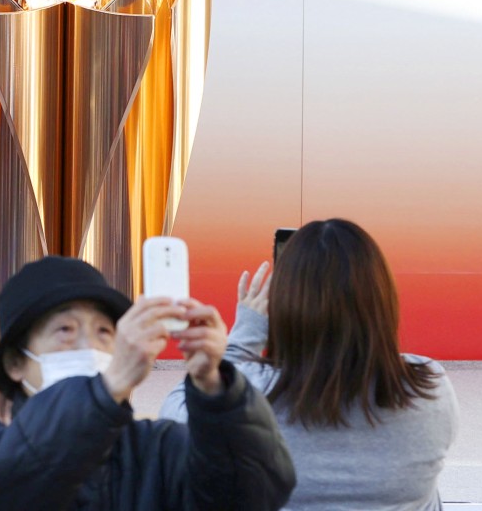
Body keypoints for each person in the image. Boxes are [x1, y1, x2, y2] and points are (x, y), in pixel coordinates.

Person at [0, 255, 296, 511]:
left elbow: (254, 493)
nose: (89, 345)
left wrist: (218, 390)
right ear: (14, 362)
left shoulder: (159, 449)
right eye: (65, 330)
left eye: (105, 331)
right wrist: (106, 389)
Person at [160, 218, 458, 511]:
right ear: (382, 300)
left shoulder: (249, 392)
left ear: (283, 304)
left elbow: (174, 418)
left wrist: (242, 338)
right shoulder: (430, 386)